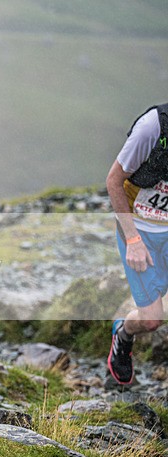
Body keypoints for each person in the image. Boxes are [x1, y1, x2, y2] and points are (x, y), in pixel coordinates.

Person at [107, 102, 168, 385]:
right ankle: (124, 333)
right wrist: (132, 239)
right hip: (139, 231)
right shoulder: (152, 127)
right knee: (152, 320)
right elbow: (113, 181)